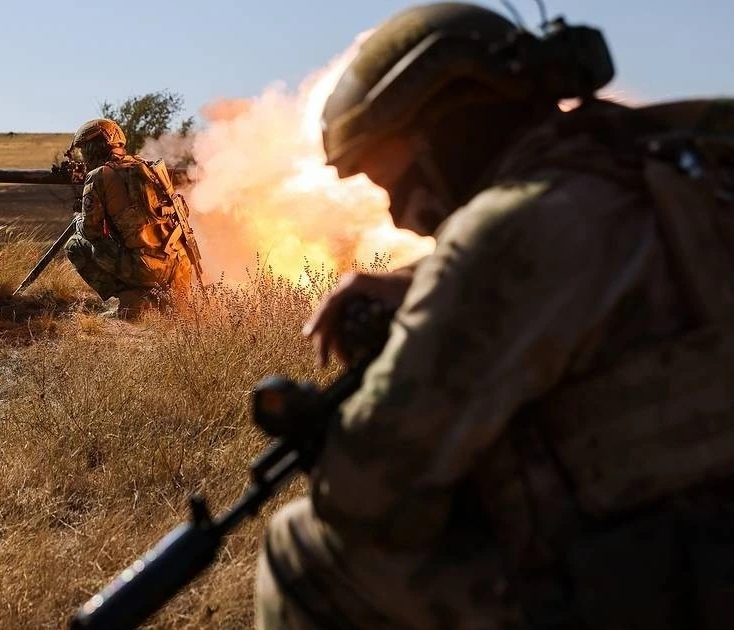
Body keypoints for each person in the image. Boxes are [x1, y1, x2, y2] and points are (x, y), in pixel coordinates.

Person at [255, 3, 734, 629]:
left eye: (387, 179)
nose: (397, 213)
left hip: (680, 583)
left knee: (301, 548)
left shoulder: (503, 234)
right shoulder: (678, 156)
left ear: (441, 130)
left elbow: (368, 494)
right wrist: (422, 281)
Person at [62, 118, 194, 318]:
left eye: (84, 150)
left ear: (93, 148)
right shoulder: (146, 167)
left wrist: (79, 217)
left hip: (146, 269)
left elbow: (91, 231)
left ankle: (131, 299)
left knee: (74, 245)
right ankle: (159, 299)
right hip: (179, 265)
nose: (83, 157)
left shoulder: (99, 176)